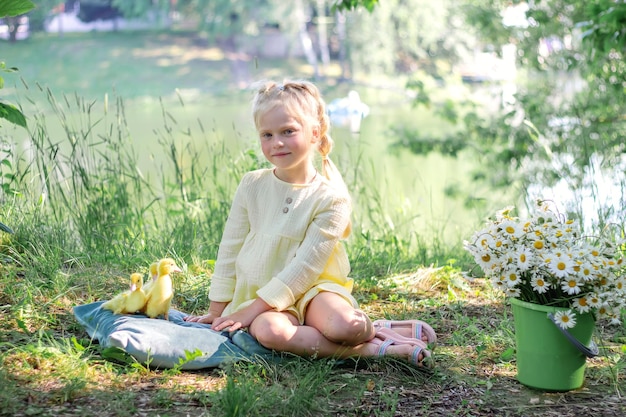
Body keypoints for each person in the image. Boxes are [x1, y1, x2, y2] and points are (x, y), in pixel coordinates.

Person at [185, 79, 435, 366]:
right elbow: (230, 248)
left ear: (315, 133)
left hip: (314, 290)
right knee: (269, 331)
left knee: (349, 328)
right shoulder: (251, 184)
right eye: (266, 134)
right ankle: (377, 349)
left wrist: (248, 312)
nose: (276, 142)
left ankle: (373, 330)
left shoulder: (332, 199)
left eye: (288, 131)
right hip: (261, 292)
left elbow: (303, 270)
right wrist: (219, 310)